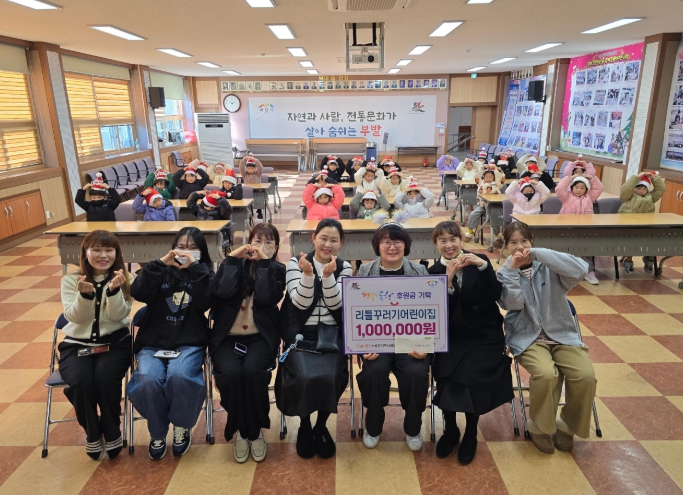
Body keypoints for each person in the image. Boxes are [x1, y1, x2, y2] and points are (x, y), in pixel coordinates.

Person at [497, 221, 596, 455]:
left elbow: (581, 269)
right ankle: (540, 427)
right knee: (546, 373)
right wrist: (513, 270)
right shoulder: (503, 272)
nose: (519, 247)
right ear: (506, 245)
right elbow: (512, 303)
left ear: (532, 242)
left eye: (524, 241)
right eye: (513, 242)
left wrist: (539, 254)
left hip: (562, 334)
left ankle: (568, 425)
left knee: (585, 376)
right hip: (527, 337)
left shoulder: (550, 265)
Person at [428, 221, 512, 463]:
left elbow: (495, 295)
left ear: (460, 240)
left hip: (485, 334)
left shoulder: (479, 261)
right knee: (445, 372)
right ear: (436, 245)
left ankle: (471, 433)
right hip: (451, 335)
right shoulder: (433, 272)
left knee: (471, 374)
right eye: (442, 240)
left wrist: (484, 267)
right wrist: (447, 282)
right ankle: (451, 429)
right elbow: (436, 314)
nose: (449, 245)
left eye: (453, 239)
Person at [127, 227, 214, 460]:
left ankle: (181, 425)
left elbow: (207, 301)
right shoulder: (159, 271)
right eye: (181, 247)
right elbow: (138, 292)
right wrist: (159, 264)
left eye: (193, 248)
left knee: (180, 375)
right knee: (148, 379)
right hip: (153, 343)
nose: (186, 252)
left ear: (201, 252)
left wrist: (195, 269)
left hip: (189, 341)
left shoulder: (203, 274)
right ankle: (157, 432)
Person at [276, 219, 352, 459]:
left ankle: (320, 426)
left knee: (332, 376)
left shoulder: (345, 267)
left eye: (334, 240)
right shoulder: (295, 263)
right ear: (313, 238)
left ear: (341, 243)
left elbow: (337, 304)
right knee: (306, 377)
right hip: (300, 335)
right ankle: (305, 425)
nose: (328, 244)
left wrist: (328, 277)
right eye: (323, 238)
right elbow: (300, 303)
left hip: (331, 335)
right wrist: (308, 274)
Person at [211, 224, 285, 463]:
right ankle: (245, 430)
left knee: (253, 372)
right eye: (257, 241)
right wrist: (232, 259)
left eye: (269, 242)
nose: (262, 246)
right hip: (227, 337)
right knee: (230, 375)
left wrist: (263, 264)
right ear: (249, 243)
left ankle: (251, 431)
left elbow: (266, 297)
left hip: (260, 337)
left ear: (276, 248)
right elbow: (222, 292)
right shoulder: (233, 264)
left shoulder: (277, 269)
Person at [59, 230, 133, 460]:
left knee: (105, 377)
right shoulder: (70, 281)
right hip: (76, 345)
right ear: (85, 252)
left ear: (116, 253)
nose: (103, 255)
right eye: (97, 250)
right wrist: (84, 296)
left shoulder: (125, 278)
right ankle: (92, 432)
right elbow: (75, 318)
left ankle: (112, 431)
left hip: (115, 343)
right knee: (80, 380)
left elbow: (119, 315)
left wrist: (114, 291)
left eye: (109, 250)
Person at [356, 223, 430, 452]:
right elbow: (356, 313)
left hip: (411, 341)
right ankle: (373, 426)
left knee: (417, 372)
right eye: (386, 242)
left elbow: (430, 311)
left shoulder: (419, 271)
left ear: (405, 245)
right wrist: (362, 346)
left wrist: (426, 346)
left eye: (397, 241)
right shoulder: (365, 271)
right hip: (377, 341)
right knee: (374, 371)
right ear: (377, 246)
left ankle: (413, 427)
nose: (392, 247)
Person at [556, 172, 604, 285]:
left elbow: (599, 188)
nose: (579, 190)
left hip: (584, 229)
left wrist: (592, 178)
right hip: (568, 229)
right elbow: (559, 188)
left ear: (586, 189)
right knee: (566, 249)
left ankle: (589, 271)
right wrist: (569, 178)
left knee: (586, 248)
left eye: (582, 188)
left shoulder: (590, 197)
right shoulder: (566, 197)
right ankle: (565, 272)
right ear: (571, 187)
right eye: (576, 187)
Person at [618, 171, 666, 274]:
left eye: (644, 189)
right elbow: (625, 188)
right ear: (634, 188)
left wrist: (654, 178)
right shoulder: (628, 196)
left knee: (654, 238)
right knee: (631, 239)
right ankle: (628, 261)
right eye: (639, 188)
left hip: (645, 225)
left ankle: (649, 259)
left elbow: (661, 189)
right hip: (628, 225)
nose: (641, 191)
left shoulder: (651, 197)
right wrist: (636, 177)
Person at [465, 169, 502, 241]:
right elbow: (477, 175)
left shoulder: (497, 184)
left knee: (494, 217)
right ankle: (470, 231)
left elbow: (500, 177)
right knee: (473, 214)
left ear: (494, 178)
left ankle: (496, 236)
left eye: (491, 177)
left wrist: (495, 168)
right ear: (484, 177)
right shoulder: (480, 184)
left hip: (493, 207)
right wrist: (482, 168)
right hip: (482, 206)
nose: (488, 178)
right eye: (487, 177)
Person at [239, 154, 265, 218]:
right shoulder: (245, 175)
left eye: (252, 169)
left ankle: (259, 211)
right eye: (249, 169)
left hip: (257, 191)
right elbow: (241, 168)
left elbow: (260, 168)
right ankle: (249, 212)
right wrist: (243, 160)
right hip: (248, 192)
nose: (250, 170)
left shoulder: (258, 174)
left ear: (255, 168)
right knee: (247, 200)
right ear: (246, 169)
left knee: (259, 199)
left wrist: (255, 160)